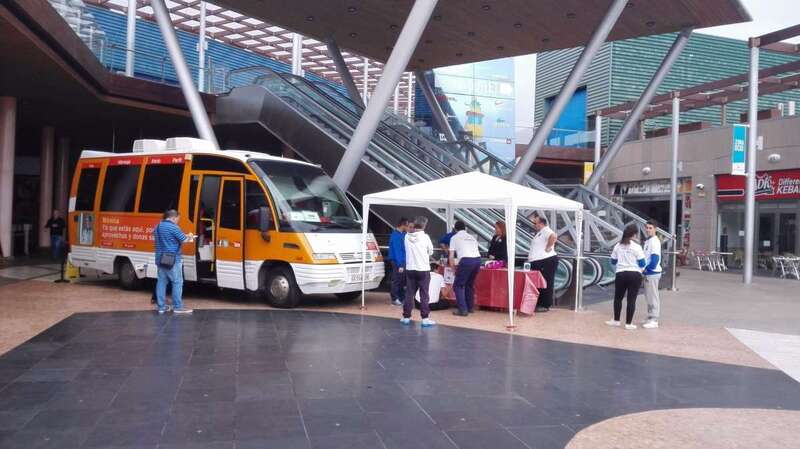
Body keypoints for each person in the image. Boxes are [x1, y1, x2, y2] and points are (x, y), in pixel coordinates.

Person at [153, 209, 195, 314]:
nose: (178, 221)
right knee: (177, 282)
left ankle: (161, 307)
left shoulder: (157, 226)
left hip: (160, 258)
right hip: (173, 259)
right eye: (178, 219)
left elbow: (166, 239)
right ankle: (177, 307)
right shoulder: (173, 227)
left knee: (161, 282)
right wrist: (189, 236)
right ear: (173, 217)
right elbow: (184, 239)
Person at [606, 224, 646, 330]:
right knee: (631, 299)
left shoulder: (617, 246)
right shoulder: (637, 247)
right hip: (634, 274)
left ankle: (616, 320)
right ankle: (628, 324)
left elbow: (613, 261)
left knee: (618, 298)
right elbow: (642, 263)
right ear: (634, 235)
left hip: (621, 274)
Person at [402, 216, 436, 327]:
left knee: (409, 293)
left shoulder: (406, 236)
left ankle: (406, 317)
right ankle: (425, 318)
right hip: (423, 269)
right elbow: (430, 252)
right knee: (424, 294)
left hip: (410, 268)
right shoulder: (425, 237)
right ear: (424, 225)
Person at [449, 220, 482, 316]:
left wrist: (453, 269)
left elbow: (451, 256)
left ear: (455, 229)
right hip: (477, 260)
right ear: (465, 228)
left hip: (466, 261)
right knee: (469, 284)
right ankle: (470, 307)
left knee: (458, 286)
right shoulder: (472, 237)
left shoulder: (454, 238)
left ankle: (462, 310)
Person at [527, 214, 557, 313]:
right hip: (539, 261)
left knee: (546, 282)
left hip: (546, 260)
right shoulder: (540, 232)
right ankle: (540, 303)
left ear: (541, 223)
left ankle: (545, 304)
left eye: (535, 223)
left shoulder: (546, 230)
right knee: (540, 283)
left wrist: (548, 247)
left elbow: (553, 236)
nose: (534, 225)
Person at [642, 221, 663, 329]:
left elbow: (655, 259)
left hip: (652, 273)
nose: (648, 230)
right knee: (649, 296)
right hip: (648, 273)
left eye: (650, 228)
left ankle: (654, 319)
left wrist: (647, 270)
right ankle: (651, 316)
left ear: (655, 229)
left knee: (653, 296)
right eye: (647, 228)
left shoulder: (654, 241)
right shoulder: (648, 241)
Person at [387, 217, 409, 306]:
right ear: (403, 225)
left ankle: (401, 297)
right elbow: (397, 251)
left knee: (401, 280)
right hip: (397, 261)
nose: (408, 228)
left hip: (402, 261)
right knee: (397, 280)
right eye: (407, 226)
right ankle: (395, 298)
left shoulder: (402, 234)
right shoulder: (396, 235)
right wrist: (400, 264)